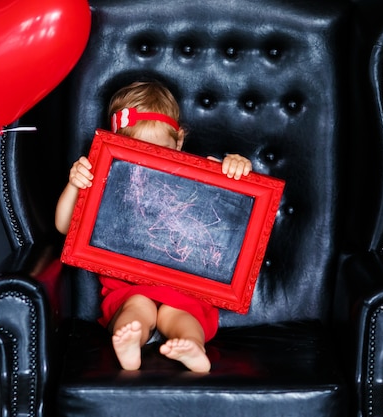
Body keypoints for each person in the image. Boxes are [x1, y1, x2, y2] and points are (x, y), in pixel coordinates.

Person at [55, 81, 252, 372]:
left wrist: (235, 169)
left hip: (184, 285)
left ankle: (191, 346)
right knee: (137, 307)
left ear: (179, 141)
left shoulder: (200, 178)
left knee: (180, 312)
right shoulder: (106, 178)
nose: (150, 162)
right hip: (128, 284)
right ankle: (130, 339)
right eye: (137, 151)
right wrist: (75, 184)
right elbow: (63, 226)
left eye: (159, 151)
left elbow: (235, 213)